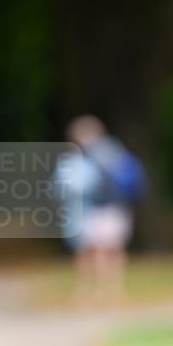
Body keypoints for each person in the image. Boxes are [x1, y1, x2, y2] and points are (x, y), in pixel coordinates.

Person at [56, 115, 146, 302]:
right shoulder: (111, 152)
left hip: (100, 209)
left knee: (101, 250)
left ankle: (100, 290)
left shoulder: (95, 155)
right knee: (103, 249)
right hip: (105, 208)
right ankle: (106, 289)